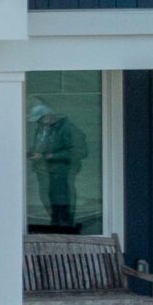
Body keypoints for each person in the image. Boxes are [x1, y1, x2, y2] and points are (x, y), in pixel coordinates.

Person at [27, 98, 89, 232]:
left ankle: (65, 230)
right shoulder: (44, 127)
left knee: (62, 202)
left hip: (61, 172)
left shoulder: (68, 129)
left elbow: (80, 151)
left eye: (40, 119)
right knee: (50, 202)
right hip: (46, 172)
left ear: (49, 116)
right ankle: (56, 226)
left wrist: (48, 156)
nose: (38, 123)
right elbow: (42, 144)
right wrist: (34, 152)